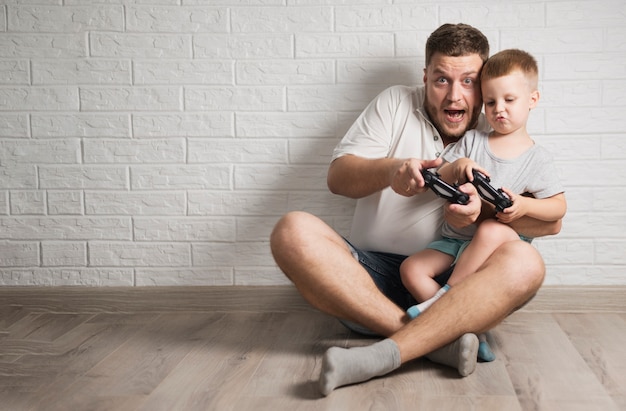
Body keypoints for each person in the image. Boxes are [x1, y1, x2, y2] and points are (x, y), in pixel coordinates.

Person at [270, 24, 562, 396]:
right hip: (368, 282)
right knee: (291, 230)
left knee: (527, 263)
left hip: (465, 286)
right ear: (425, 77)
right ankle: (435, 340)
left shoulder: (505, 129)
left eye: (469, 81)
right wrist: (391, 170)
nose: (454, 96)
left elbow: (550, 224)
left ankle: (397, 348)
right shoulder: (394, 101)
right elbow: (338, 177)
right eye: (441, 80)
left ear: (485, 80)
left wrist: (480, 215)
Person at [401, 49, 567, 321]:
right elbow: (441, 176)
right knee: (410, 269)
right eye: (490, 102)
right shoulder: (472, 141)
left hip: (498, 245)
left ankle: (445, 299)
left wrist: (524, 205)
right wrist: (458, 166)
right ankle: (461, 328)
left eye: (509, 100)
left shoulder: (538, 158)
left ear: (532, 99)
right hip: (455, 239)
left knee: (491, 227)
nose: (499, 109)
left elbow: (558, 209)